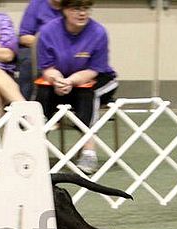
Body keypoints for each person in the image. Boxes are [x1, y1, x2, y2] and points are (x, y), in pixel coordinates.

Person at [35, 0, 118, 175]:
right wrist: (58, 80)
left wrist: (71, 81)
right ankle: (37, 147)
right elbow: (47, 68)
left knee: (88, 93)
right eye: (76, 8)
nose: (82, 13)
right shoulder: (48, 31)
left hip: (95, 79)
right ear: (65, 10)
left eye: (86, 8)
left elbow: (94, 70)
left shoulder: (98, 32)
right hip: (61, 78)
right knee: (43, 90)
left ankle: (89, 151)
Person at [17, 0, 62, 99]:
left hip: (65, 52)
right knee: (29, 61)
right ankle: (24, 104)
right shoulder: (37, 4)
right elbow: (23, 37)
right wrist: (48, 46)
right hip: (36, 49)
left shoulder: (73, 7)